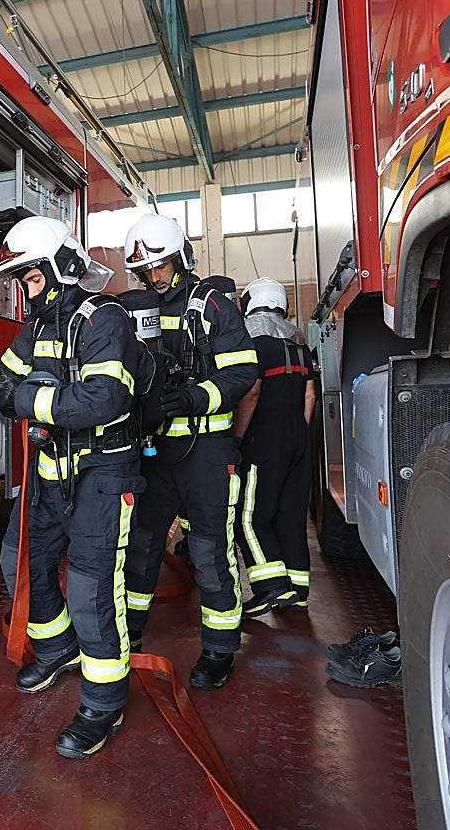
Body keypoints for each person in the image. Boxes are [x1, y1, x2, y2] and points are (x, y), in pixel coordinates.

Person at [0, 216, 147, 758]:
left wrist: (24, 400)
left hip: (104, 474)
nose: (25, 294)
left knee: (91, 590)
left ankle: (104, 703)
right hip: (51, 471)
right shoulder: (37, 328)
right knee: (19, 562)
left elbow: (104, 400)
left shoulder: (105, 320)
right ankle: (57, 650)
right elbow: (3, 384)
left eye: (30, 281)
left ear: (62, 268)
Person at [120, 214, 258, 690]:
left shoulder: (212, 304)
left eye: (160, 267)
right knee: (140, 547)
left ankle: (219, 651)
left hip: (205, 450)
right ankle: (129, 635)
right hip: (155, 452)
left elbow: (243, 373)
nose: (153, 278)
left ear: (181, 258)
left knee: (208, 551)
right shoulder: (137, 310)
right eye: (144, 271)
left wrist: (197, 396)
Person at [232, 277, 316, 614]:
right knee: (290, 516)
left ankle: (270, 588)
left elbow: (251, 392)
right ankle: (298, 590)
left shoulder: (252, 339)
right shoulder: (298, 341)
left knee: (249, 518)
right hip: (298, 435)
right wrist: (298, 434)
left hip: (262, 437)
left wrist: (238, 438)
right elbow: (310, 394)